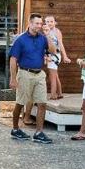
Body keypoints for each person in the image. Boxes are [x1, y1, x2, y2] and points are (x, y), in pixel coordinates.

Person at [8, 12, 52, 143]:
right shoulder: (20, 40)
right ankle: (15, 129)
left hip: (39, 74)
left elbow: (53, 50)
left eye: (41, 23)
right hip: (24, 74)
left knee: (42, 103)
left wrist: (48, 35)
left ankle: (39, 133)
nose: (39, 26)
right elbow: (13, 60)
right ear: (30, 23)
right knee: (20, 103)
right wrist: (13, 79)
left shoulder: (42, 38)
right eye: (37, 23)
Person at [43, 14, 71, 99]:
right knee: (55, 75)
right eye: (47, 21)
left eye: (51, 21)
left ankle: (53, 95)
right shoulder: (45, 31)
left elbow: (61, 44)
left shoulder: (57, 31)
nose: (49, 23)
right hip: (49, 55)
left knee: (52, 76)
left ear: (55, 22)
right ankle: (59, 93)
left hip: (55, 56)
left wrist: (65, 56)